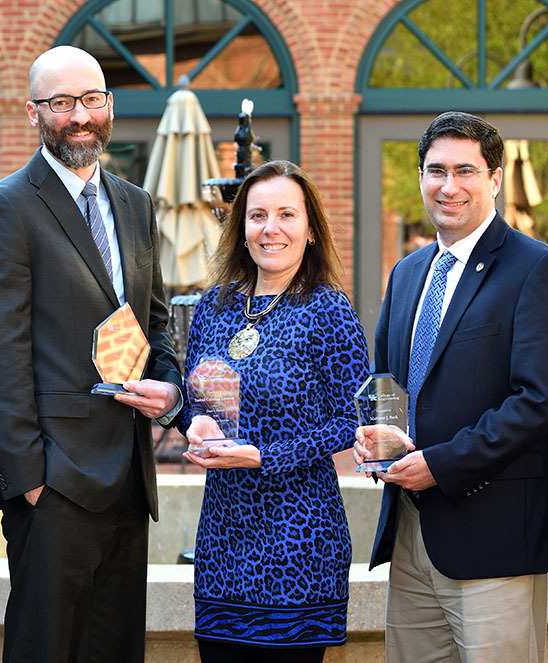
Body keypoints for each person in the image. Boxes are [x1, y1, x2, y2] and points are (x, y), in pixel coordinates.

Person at [0, 45, 182, 662]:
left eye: (90, 99)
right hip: (53, 482)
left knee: (115, 650)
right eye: (61, 103)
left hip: (130, 476)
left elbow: (155, 321)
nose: (78, 115)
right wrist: (29, 479)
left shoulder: (135, 204)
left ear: (108, 106)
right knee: (45, 649)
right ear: (34, 112)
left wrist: (170, 389)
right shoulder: (3, 209)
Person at [352, 111, 548, 662]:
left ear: (494, 179)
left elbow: (541, 399)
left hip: (493, 535)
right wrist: (375, 436)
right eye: (436, 170)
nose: (449, 186)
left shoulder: (535, 267)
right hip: (409, 530)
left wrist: (443, 464)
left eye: (465, 171)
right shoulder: (406, 273)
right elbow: (388, 384)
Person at [179, 160, 370, 663]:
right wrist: (191, 422)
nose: (271, 228)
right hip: (222, 538)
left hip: (299, 538)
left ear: (310, 230)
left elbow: (352, 420)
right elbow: (193, 396)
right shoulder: (214, 307)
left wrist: (263, 455)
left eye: (287, 214)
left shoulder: (328, 309)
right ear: (241, 229)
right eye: (258, 215)